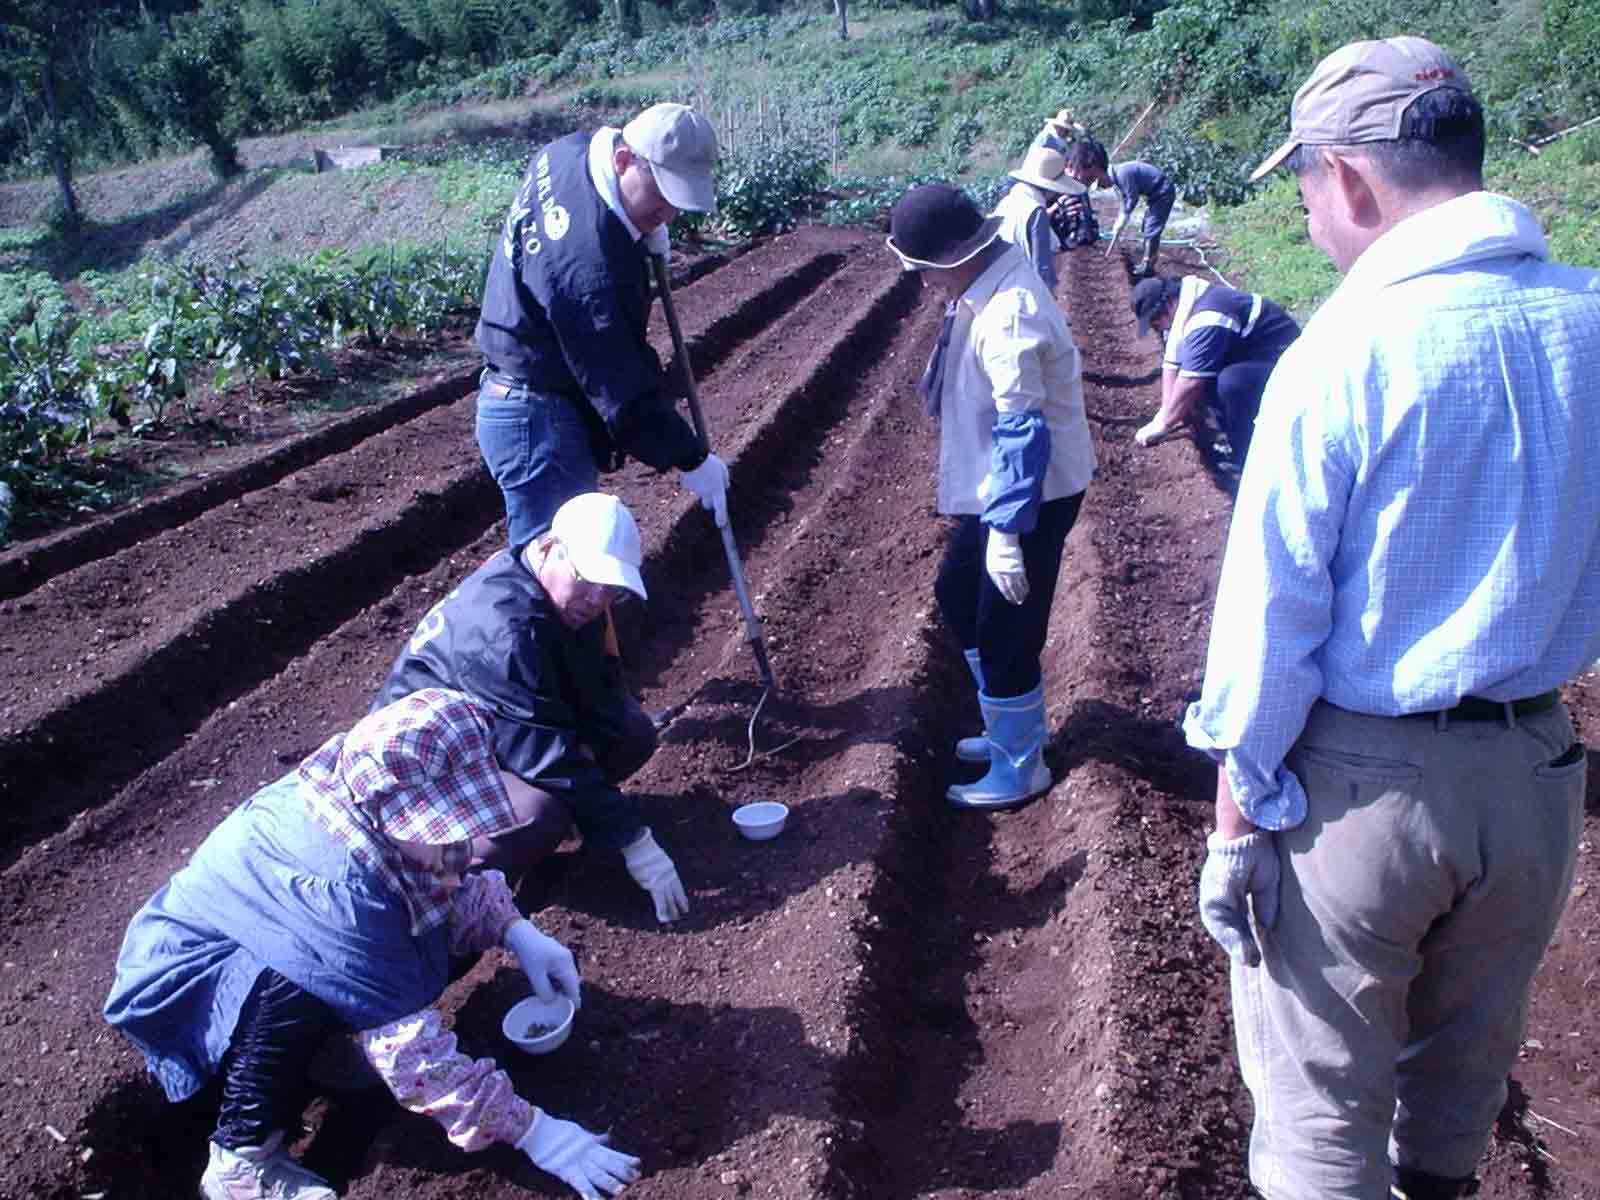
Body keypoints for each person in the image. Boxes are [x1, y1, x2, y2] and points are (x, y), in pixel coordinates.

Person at [1183, 35, 1600, 1200]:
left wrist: (1232, 827)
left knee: (1321, 1120)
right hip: (1533, 782)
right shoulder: (1590, 320)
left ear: (1349, 180)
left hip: (1362, 794)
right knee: (1457, 1087)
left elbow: (1270, 625)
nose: (1313, 219)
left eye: (1309, 188)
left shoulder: (1343, 352)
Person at [104, 688, 642, 1200]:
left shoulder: (370, 803)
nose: (455, 841)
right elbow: (418, 1061)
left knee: (375, 955)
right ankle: (241, 1161)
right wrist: (537, 1134)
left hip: (279, 938)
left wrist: (517, 931)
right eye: (440, 824)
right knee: (300, 979)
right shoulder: (344, 895)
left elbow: (451, 878)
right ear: (390, 811)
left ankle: (328, 1049)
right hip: (200, 978)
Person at [373, 492, 689, 925]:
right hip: (415, 781)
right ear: (547, 548)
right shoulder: (504, 635)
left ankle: (562, 832)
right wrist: (633, 838)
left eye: (611, 589)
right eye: (587, 578)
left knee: (627, 732)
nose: (597, 598)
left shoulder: (567, 600)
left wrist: (610, 812)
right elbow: (546, 755)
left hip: (486, 735)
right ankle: (440, 894)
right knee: (540, 811)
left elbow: (598, 697)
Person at [886, 184, 1096, 810]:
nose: (922, 283)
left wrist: (1006, 534)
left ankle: (1021, 765)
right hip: (1003, 490)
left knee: (1005, 628)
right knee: (957, 593)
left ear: (952, 261)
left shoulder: (1007, 314)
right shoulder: (985, 286)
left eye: (924, 270)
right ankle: (1011, 728)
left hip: (1030, 495)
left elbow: (1021, 432)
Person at [475, 101, 731, 551]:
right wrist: (691, 458)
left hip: (526, 395)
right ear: (623, 160)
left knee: (564, 571)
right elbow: (618, 386)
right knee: (566, 576)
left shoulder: (567, 153)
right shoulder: (585, 265)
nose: (669, 213)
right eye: (662, 194)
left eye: (678, 201)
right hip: (538, 421)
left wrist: (636, 228)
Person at [1129, 273, 1301, 466]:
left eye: (1155, 321)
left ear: (1168, 304)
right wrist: (1164, 412)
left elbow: (1190, 382)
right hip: (1253, 355)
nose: (1156, 328)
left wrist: (1165, 424)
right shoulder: (1185, 305)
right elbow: (1172, 362)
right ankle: (1228, 435)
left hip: (1290, 365)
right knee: (1203, 376)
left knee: (1229, 383)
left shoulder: (1207, 317)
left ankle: (1245, 455)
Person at [1063, 138, 1176, 275]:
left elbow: (1131, 199)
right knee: (1147, 225)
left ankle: (1148, 265)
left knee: (1152, 227)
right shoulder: (1119, 175)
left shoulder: (1122, 175)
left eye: (1100, 183)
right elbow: (1125, 199)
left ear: (1103, 176)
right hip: (1155, 194)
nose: (1104, 187)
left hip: (1162, 192)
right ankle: (1147, 259)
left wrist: (1124, 216)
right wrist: (1120, 220)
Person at [991, 144, 1086, 291]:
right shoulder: (1036, 213)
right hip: (1021, 289)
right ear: (1050, 187)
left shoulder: (1008, 202)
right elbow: (1042, 270)